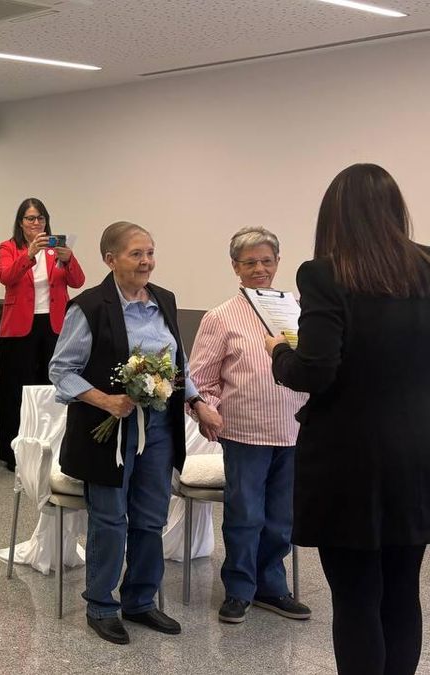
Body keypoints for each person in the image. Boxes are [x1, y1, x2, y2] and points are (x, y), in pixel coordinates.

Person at [268, 163, 430, 675]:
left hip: (350, 459)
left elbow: (316, 370)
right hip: (420, 453)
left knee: (357, 597)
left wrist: (278, 354)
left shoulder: (325, 274)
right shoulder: (428, 266)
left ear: (334, 215)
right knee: (403, 590)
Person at [49, 221, 203, 645]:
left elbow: (179, 365)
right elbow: (61, 372)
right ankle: (101, 604)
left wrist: (198, 402)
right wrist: (107, 400)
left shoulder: (164, 301)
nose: (146, 261)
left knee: (151, 518)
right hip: (110, 433)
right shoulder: (90, 306)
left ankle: (140, 600)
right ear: (110, 259)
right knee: (111, 519)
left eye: (150, 252)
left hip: (158, 428)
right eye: (136, 253)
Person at [188, 227, 310, 625]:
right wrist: (205, 411)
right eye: (250, 262)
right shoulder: (220, 317)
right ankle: (239, 590)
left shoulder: (297, 311)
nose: (260, 268)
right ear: (236, 268)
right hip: (245, 434)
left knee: (281, 518)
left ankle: (271, 586)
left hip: (294, 431)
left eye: (267, 261)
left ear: (278, 263)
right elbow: (200, 380)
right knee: (245, 515)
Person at [0, 198, 85, 471]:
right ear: (20, 222)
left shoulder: (57, 249)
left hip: (54, 326)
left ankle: (51, 445)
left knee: (51, 387)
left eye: (41, 219)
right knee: (17, 389)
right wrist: (28, 255)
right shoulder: (9, 247)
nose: (36, 224)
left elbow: (78, 281)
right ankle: (13, 452)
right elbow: (5, 277)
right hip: (19, 328)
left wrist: (69, 260)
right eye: (30, 218)